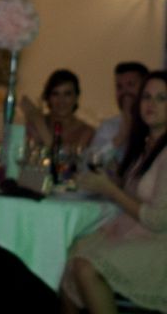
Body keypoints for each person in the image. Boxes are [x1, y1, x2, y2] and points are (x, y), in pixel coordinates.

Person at [60, 70, 167, 313]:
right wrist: (114, 180)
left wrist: (110, 190)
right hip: (139, 234)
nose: (151, 104)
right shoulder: (148, 145)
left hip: (160, 245)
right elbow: (136, 193)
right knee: (68, 256)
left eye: (162, 99)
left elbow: (158, 219)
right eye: (147, 97)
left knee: (86, 267)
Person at [89, 62, 149, 168]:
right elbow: (90, 165)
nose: (124, 92)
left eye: (131, 85)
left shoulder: (156, 124)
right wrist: (119, 139)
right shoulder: (109, 127)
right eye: (119, 87)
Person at [21, 69, 95, 151]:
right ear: (48, 98)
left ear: (76, 97)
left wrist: (42, 131)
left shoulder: (86, 132)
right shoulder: (34, 125)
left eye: (67, 94)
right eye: (55, 94)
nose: (61, 101)